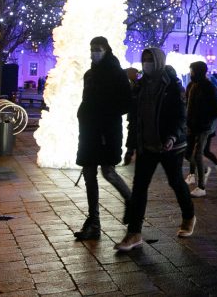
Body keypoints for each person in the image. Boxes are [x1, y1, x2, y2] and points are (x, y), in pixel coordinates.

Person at [115, 47, 195, 252]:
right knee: (140, 187)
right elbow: (134, 119)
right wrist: (130, 146)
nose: (146, 63)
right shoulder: (140, 86)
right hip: (147, 144)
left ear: (159, 61)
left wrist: (172, 136)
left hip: (171, 145)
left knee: (175, 181)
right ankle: (134, 233)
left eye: (150, 59)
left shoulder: (172, 86)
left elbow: (180, 116)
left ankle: (188, 216)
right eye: (144, 59)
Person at [73, 37, 132, 242]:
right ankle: (94, 222)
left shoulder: (116, 73)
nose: (94, 53)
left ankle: (131, 201)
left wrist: (105, 112)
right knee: (89, 173)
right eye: (91, 49)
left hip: (107, 131)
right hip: (89, 131)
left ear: (106, 50)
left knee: (108, 171)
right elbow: (86, 99)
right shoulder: (89, 74)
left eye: (97, 49)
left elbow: (126, 103)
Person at [185, 61, 217, 197]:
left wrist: (206, 121)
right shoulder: (192, 86)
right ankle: (204, 169)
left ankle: (201, 187)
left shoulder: (208, 87)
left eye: (193, 71)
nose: (191, 74)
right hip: (192, 125)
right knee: (187, 153)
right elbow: (189, 106)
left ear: (199, 72)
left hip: (203, 126)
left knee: (198, 153)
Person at [123, 66, 139, 166]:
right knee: (132, 132)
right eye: (135, 73)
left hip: (136, 115)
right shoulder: (130, 84)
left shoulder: (136, 84)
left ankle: (130, 151)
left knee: (133, 132)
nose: (137, 75)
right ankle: (130, 151)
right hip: (134, 115)